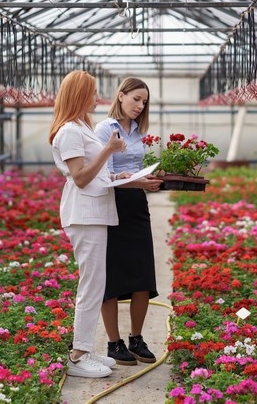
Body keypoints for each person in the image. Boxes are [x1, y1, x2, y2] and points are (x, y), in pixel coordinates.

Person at [48, 70, 130, 378]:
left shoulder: (82, 127)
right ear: (80, 96)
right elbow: (80, 178)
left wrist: (115, 176)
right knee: (91, 284)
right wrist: (109, 150)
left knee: (96, 283)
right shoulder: (70, 130)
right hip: (84, 214)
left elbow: (91, 173)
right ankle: (78, 355)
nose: (97, 98)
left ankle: (85, 347)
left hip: (94, 212)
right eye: (93, 92)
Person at [95, 77, 163, 365]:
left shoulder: (138, 132)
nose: (140, 105)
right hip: (111, 205)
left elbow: (136, 169)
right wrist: (133, 181)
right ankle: (114, 343)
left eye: (144, 101)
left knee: (142, 274)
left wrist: (152, 180)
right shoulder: (103, 129)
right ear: (120, 96)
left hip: (136, 206)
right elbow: (102, 174)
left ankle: (136, 338)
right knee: (110, 276)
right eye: (136, 98)